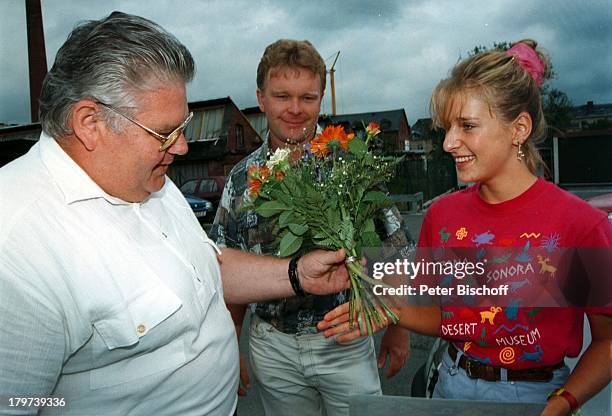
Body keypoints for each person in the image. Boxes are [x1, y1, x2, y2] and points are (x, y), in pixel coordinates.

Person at [0, 13, 351, 416]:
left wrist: (295, 274)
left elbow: (208, 268)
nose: (182, 147)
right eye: (166, 132)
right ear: (90, 123)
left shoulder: (152, 181)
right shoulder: (16, 245)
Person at [318, 39, 612, 416]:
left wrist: (564, 403)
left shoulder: (581, 225)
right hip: (449, 386)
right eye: (448, 127)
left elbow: (607, 342)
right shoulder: (443, 216)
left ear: (518, 128)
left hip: (536, 399)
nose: (448, 143)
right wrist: (379, 303)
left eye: (467, 126)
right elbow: (447, 317)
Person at [210, 39, 414, 415]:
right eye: (282, 96)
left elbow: (397, 250)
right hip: (273, 347)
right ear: (262, 98)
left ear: (321, 99)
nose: (294, 109)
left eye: (307, 97)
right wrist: (230, 348)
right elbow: (228, 270)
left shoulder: (350, 165)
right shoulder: (241, 180)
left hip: (344, 340)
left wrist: (398, 327)